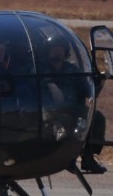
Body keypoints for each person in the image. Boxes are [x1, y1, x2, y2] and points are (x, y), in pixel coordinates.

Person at [42, 38, 107, 174]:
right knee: (64, 121)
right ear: (47, 52)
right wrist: (50, 85)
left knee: (97, 118)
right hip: (50, 110)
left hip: (73, 108)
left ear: (65, 52)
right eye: (54, 49)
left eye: (60, 49)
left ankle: (88, 157)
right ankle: (58, 155)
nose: (57, 53)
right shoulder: (41, 69)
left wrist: (99, 83)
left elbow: (86, 90)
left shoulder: (72, 69)